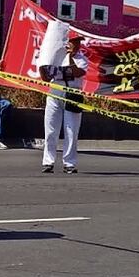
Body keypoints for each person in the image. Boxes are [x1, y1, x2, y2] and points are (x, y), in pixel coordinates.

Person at [40, 35, 89, 174]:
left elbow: (78, 72)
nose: (77, 45)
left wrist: (70, 57)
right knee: (51, 130)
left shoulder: (82, 59)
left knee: (71, 130)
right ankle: (48, 162)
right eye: (74, 42)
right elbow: (45, 77)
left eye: (79, 43)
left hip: (73, 94)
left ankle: (69, 163)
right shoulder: (55, 57)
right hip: (55, 92)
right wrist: (43, 63)